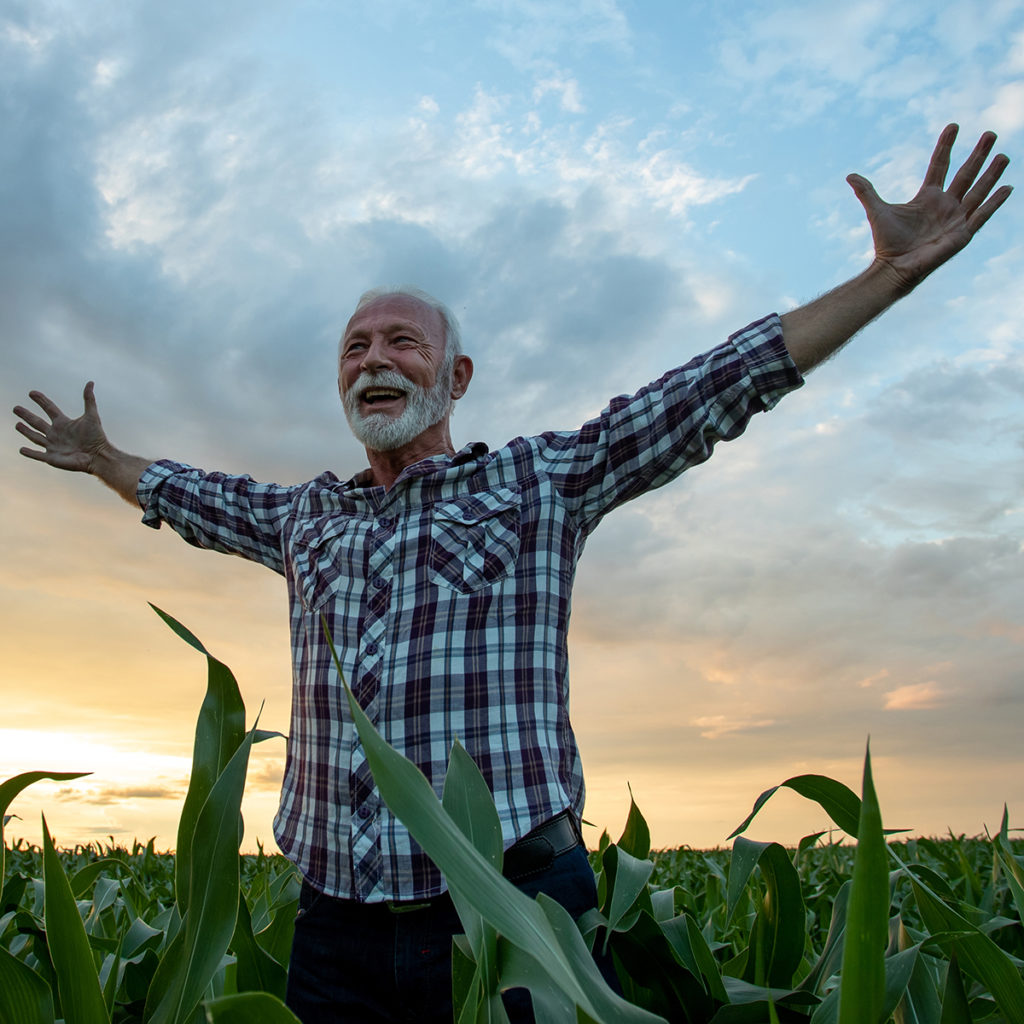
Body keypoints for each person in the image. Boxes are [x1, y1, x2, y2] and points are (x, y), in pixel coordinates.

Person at [13, 125, 1012, 1023]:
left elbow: (707, 391)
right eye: (355, 347)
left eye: (403, 341)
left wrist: (886, 278)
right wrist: (105, 460)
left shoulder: (536, 483)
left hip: (511, 913)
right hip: (335, 930)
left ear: (455, 378)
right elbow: (194, 495)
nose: (375, 359)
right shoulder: (307, 518)